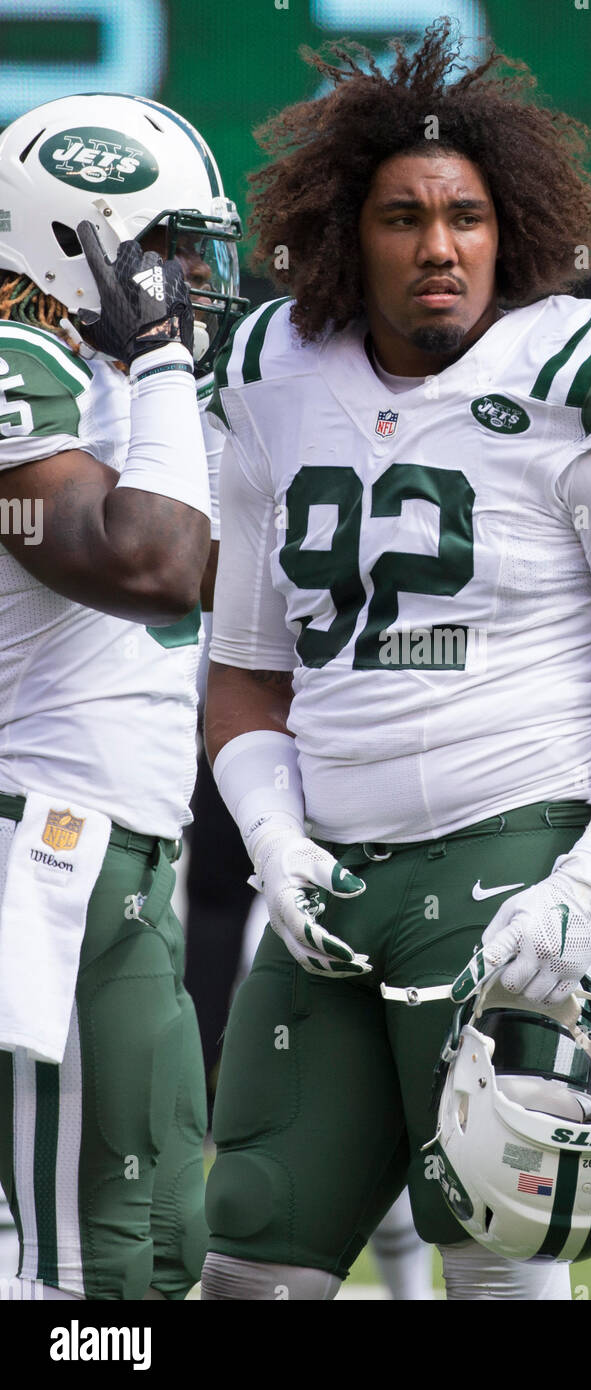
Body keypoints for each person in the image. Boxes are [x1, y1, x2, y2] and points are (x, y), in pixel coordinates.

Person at [200, 20, 591, 1302]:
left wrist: (587, 883)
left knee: (495, 1256)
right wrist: (272, 839)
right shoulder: (269, 371)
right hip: (330, 870)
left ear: (514, 228)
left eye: (466, 217)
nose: (439, 247)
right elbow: (245, 674)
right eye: (401, 217)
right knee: (252, 1250)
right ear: (342, 230)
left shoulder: (580, 372)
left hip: (514, 854)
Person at [0, 92, 245, 1300]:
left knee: (160, 1246)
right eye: (165, 249)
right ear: (73, 243)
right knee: (68, 1259)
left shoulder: (124, 384)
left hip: (133, 852)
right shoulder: (15, 363)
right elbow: (149, 563)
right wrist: (157, 363)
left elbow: (208, 557)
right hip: (36, 847)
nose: (192, 279)